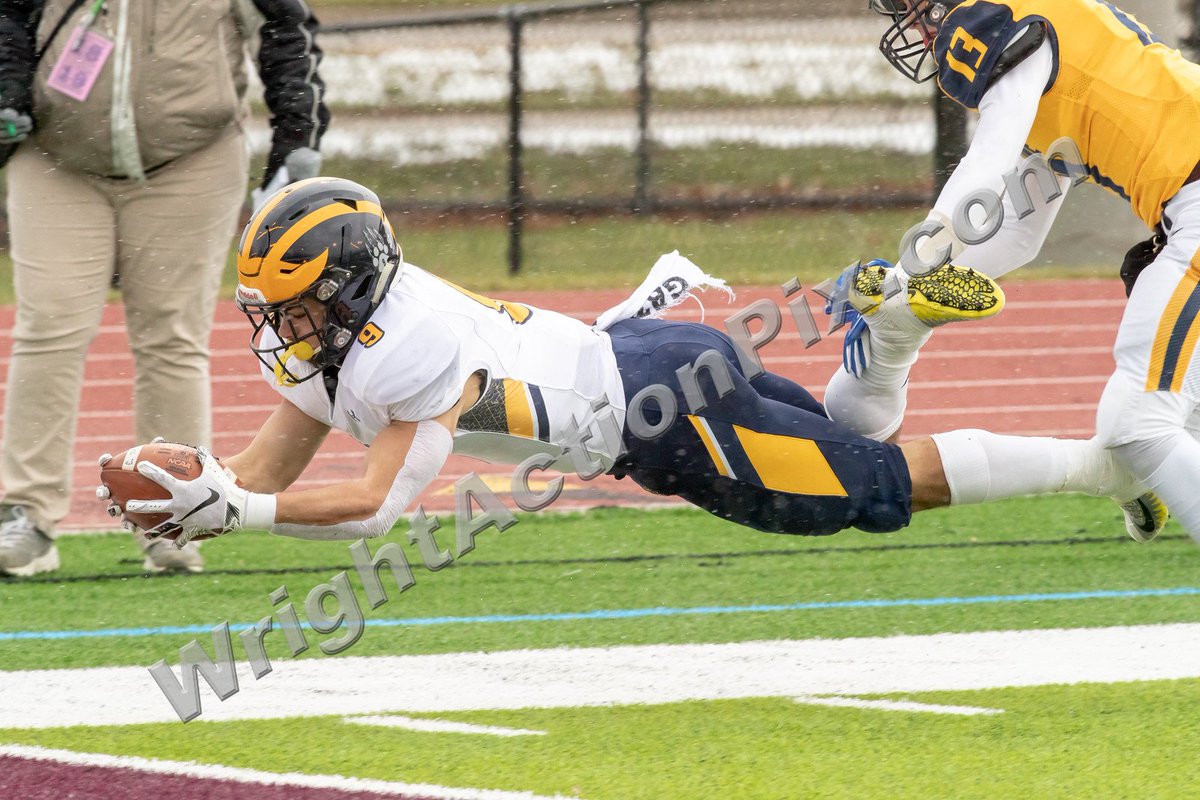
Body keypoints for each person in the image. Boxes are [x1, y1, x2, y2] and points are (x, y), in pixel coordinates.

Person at [99, 178, 1165, 546]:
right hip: (651, 352)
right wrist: (208, 486)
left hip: (663, 414)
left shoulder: (404, 346)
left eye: (296, 305)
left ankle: (1105, 466)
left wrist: (232, 513)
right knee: (860, 440)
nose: (281, 329)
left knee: (884, 484)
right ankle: (893, 332)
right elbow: (282, 457)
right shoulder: (354, 331)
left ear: (349, 289)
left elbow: (378, 507)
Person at [821, 0, 1199, 541]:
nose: (919, 28)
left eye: (919, 11)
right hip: (1185, 203)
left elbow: (988, 158)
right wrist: (903, 294)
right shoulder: (1063, 66)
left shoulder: (1007, 21)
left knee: (1137, 426)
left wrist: (922, 257)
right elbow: (1020, 234)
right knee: (1174, 433)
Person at [0, 0, 330, 576]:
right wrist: (6, 92)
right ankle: (26, 514)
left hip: (192, 161)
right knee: (48, 328)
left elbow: (286, 29)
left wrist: (295, 135)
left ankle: (170, 518)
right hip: (55, 156)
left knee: (172, 339)